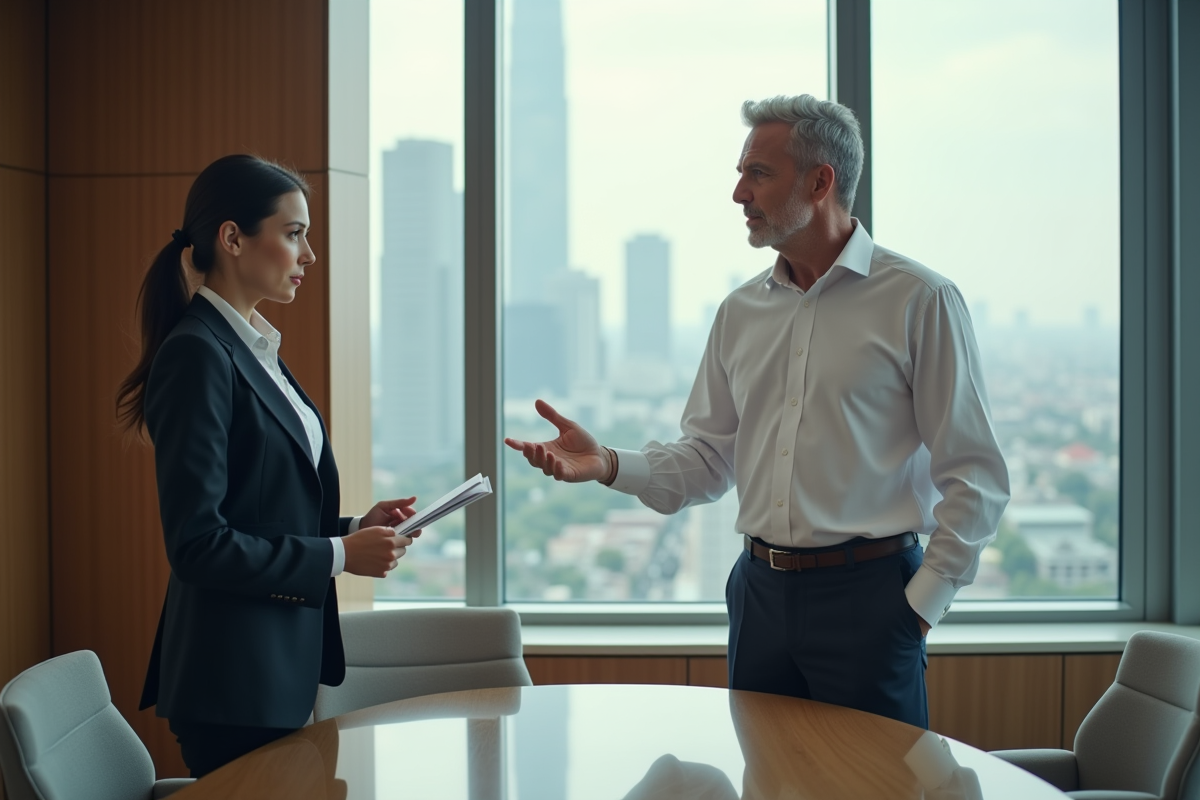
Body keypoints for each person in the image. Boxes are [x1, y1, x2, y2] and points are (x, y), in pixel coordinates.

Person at [505, 95, 1010, 727]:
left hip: (873, 599)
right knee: (766, 780)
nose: (739, 193)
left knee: (874, 788)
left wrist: (918, 608)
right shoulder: (740, 312)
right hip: (759, 595)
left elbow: (977, 477)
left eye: (758, 174)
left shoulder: (921, 300)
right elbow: (709, 460)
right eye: (741, 173)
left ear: (820, 181)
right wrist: (607, 463)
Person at [116, 155, 420, 777]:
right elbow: (199, 543)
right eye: (294, 233)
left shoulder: (252, 347)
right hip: (233, 684)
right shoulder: (199, 355)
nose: (309, 255)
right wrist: (341, 557)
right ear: (232, 238)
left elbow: (262, 511)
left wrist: (350, 527)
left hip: (274, 670)